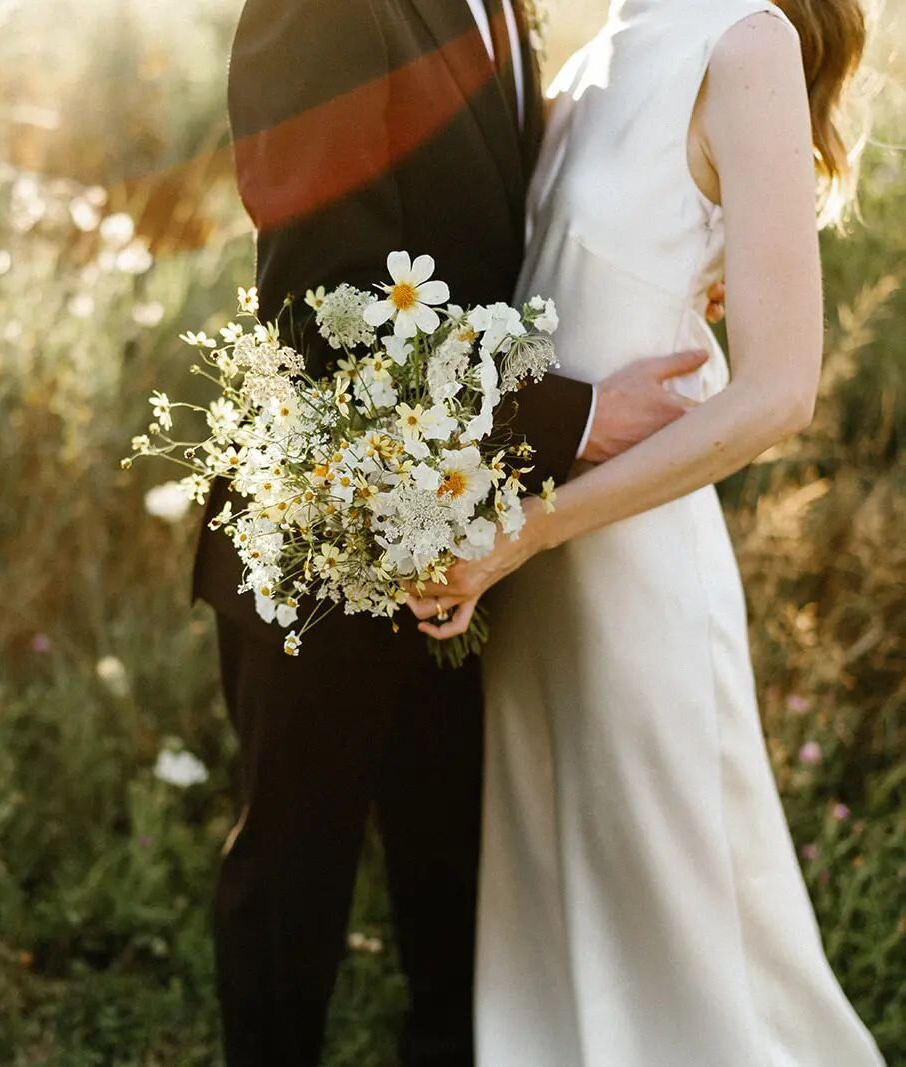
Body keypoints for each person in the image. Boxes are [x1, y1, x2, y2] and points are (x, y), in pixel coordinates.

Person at [191, 2, 715, 1063]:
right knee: (293, 886)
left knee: (458, 891)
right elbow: (318, 299)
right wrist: (568, 416)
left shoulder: (511, 10)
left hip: (481, 534)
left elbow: (510, 239)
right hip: (324, 529)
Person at [407, 0, 886, 1063]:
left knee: (683, 938)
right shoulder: (595, 52)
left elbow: (775, 394)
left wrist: (533, 527)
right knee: (561, 921)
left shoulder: (743, 39)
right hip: (529, 577)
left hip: (625, 571)